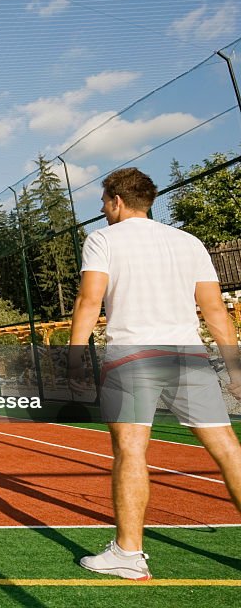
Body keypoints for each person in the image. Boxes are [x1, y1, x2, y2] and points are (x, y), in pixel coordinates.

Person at [68, 168, 241, 580]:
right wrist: (235, 368)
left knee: (131, 451)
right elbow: (215, 310)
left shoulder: (102, 239)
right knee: (227, 449)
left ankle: (129, 554)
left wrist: (74, 357)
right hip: (188, 355)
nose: (103, 209)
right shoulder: (188, 242)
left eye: (104, 201)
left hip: (134, 357)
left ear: (116, 200)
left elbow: (89, 300)